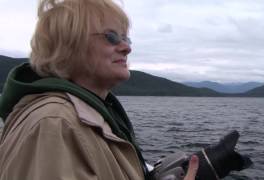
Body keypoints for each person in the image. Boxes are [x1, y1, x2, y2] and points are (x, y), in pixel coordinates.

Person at [0, 0, 199, 179]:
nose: (126, 48)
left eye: (126, 38)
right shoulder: (55, 123)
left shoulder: (82, 116)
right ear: (68, 46)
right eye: (111, 37)